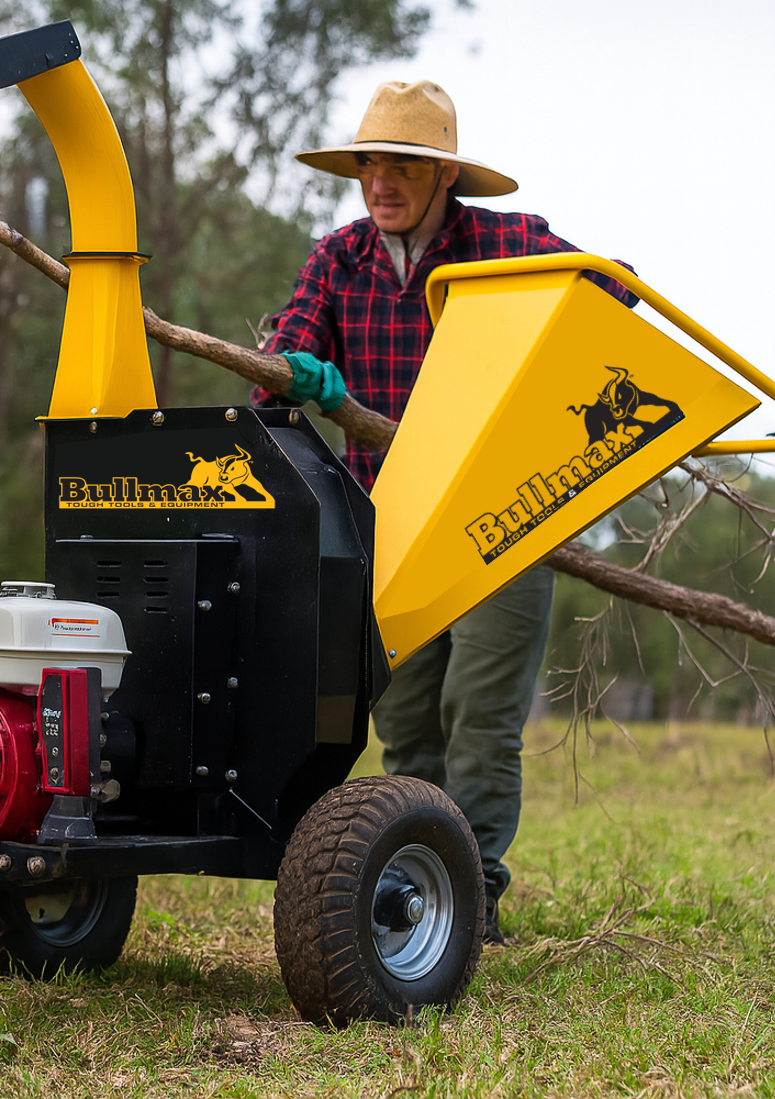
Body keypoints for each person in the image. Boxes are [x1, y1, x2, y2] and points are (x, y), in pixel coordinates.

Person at [258, 80, 635, 944]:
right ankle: (416, 876)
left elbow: (617, 291)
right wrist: (292, 371)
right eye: (367, 165)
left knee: (480, 714)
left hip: (502, 518)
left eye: (401, 165)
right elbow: (277, 369)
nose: (379, 182)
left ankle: (476, 891)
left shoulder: (507, 242)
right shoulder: (339, 258)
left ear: (444, 174)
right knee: (406, 720)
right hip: (387, 522)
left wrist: (552, 384)